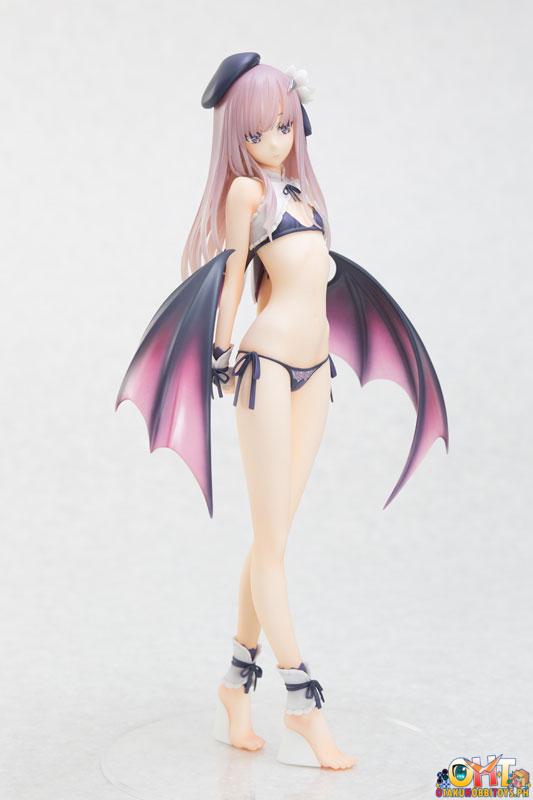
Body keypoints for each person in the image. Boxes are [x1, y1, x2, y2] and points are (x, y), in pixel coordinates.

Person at [116, 52, 449, 771]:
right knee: (271, 547)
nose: (274, 141)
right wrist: (216, 349)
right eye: (258, 131)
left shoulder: (299, 192)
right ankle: (303, 704)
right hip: (265, 370)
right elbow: (235, 277)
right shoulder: (246, 194)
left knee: (272, 538)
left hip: (315, 374)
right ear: (236, 136)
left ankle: (234, 687)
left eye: (285, 125)